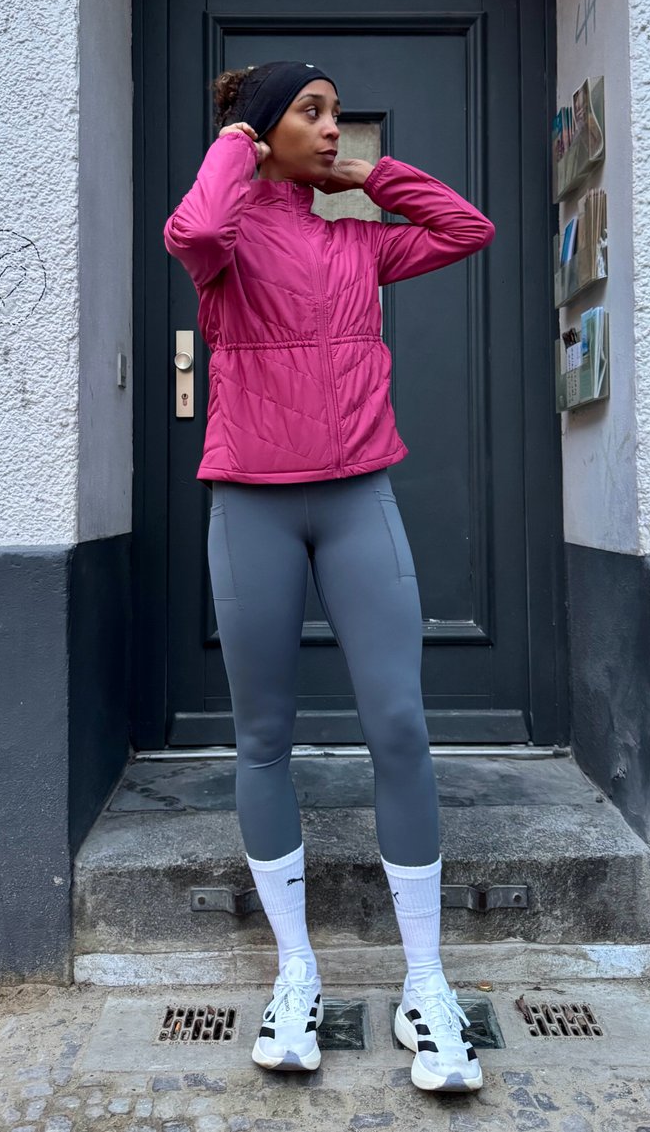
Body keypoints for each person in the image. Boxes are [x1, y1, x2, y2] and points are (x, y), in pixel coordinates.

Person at [163, 59, 495, 1092]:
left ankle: (424, 983)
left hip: (358, 497)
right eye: (310, 111)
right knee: (263, 738)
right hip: (252, 503)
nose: (330, 125)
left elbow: (465, 229)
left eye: (335, 112)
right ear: (262, 132)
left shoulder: (354, 237)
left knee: (397, 723)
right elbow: (193, 233)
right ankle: (296, 971)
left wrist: (368, 171)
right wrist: (238, 142)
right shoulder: (226, 241)